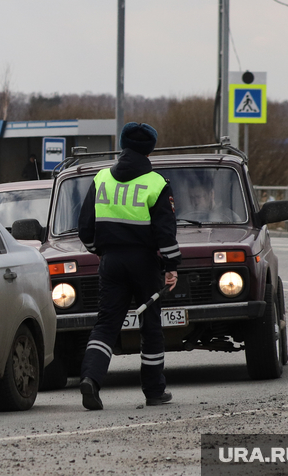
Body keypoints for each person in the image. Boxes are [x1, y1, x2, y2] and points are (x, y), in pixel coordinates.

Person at [77, 122, 180, 410]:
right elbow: (165, 233)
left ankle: (91, 380)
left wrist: (101, 253)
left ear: (122, 146)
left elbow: (85, 228)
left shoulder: (101, 179)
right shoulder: (157, 183)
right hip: (145, 264)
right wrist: (171, 266)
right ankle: (154, 391)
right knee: (150, 326)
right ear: (150, 150)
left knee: (107, 324)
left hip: (111, 262)